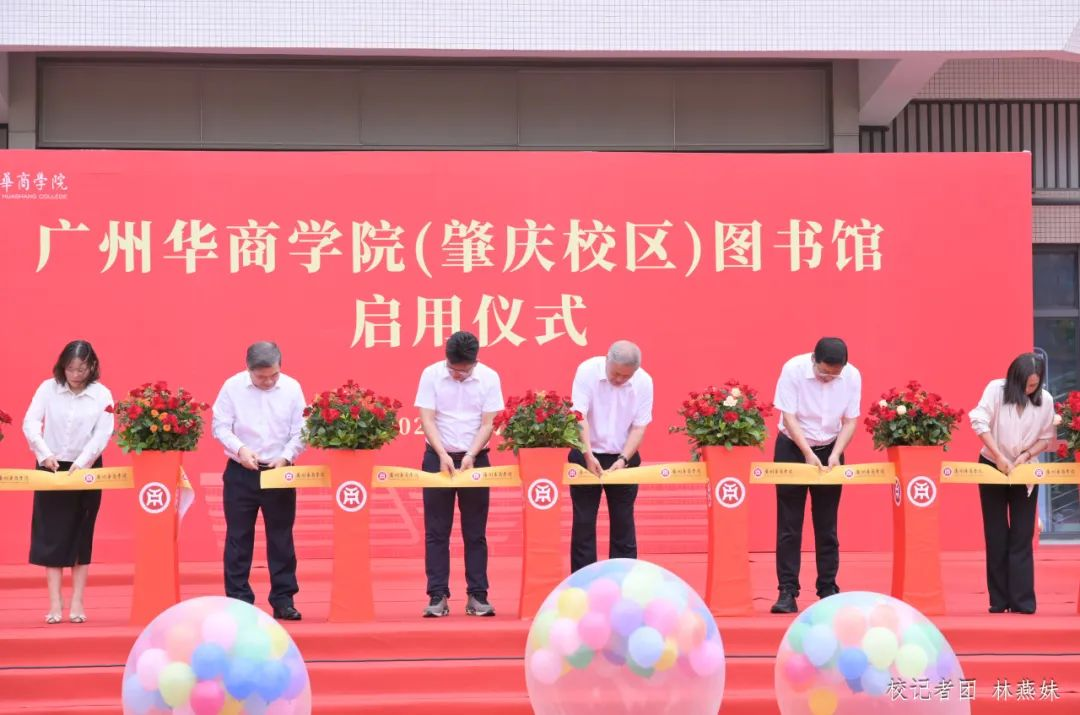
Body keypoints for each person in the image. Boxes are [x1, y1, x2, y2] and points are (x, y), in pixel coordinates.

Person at [212, 341, 306, 620]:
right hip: (242, 471)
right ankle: (239, 600)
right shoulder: (232, 387)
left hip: (279, 471)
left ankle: (283, 600)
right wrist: (241, 449)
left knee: (281, 538)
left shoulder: (292, 388)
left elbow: (302, 430)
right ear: (248, 369)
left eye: (274, 375)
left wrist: (286, 457)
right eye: (261, 377)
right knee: (238, 538)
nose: (269, 381)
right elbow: (220, 426)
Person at [22, 340, 114, 624]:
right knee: (51, 534)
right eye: (70, 369)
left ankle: (77, 600)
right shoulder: (47, 388)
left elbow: (103, 433)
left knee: (80, 533)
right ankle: (55, 602)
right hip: (50, 465)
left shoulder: (101, 394)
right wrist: (44, 454)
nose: (75, 374)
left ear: (92, 366)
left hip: (85, 468)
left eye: (81, 369)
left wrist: (83, 461)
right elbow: (30, 423)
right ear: (62, 366)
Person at [415, 331, 504, 617]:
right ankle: (437, 595)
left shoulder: (489, 378)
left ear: (475, 362)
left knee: (475, 532)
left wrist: (470, 455)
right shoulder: (431, 374)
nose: (457, 375)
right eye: (453, 370)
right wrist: (442, 454)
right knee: (436, 531)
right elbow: (427, 418)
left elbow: (488, 423)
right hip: (437, 458)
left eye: (464, 372)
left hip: (475, 460)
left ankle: (477, 595)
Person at [770, 337, 861, 614]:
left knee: (827, 523)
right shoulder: (793, 369)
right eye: (823, 372)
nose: (828, 378)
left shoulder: (852, 376)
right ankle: (787, 591)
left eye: (834, 374)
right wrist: (808, 452)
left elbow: (850, 420)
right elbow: (788, 416)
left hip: (831, 448)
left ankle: (828, 588)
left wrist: (836, 453)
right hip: (793, 447)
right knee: (789, 524)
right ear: (814, 360)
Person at [969, 352, 1054, 614]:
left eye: (1035, 385)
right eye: (1026, 385)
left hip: (1024, 469)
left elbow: (1046, 437)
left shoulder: (1045, 400)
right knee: (996, 533)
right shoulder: (995, 390)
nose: (1030, 390)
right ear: (1014, 379)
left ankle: (1022, 601)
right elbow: (978, 421)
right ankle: (999, 600)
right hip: (992, 465)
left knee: (1022, 533)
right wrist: (998, 456)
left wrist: (1025, 456)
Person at [568, 340, 654, 573]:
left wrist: (623, 459)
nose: (619, 379)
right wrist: (587, 455)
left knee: (623, 521)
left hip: (623, 458)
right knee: (584, 522)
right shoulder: (587, 371)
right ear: (607, 360)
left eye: (626, 376)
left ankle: (623, 578)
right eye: (615, 373)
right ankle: (584, 579)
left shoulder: (644, 382)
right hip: (586, 455)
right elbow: (579, 416)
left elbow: (639, 427)